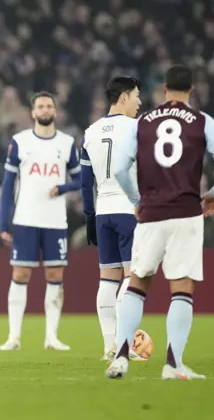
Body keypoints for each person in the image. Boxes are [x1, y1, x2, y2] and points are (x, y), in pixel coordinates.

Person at [106, 65, 214, 380]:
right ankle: (173, 365)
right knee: (181, 287)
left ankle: (121, 358)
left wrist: (137, 202)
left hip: (151, 213)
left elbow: (121, 170)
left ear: (163, 89)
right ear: (191, 90)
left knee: (137, 282)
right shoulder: (203, 122)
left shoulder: (143, 123)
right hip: (187, 213)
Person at [0, 92, 81, 351]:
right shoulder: (20, 142)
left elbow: (82, 180)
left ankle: (52, 337)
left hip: (55, 220)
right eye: (40, 106)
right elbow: (7, 185)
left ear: (55, 112)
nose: (45, 110)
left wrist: (64, 187)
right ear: (33, 113)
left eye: (49, 106)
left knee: (55, 274)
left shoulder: (67, 143)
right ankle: (14, 337)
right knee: (20, 273)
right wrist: (3, 222)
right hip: (26, 218)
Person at [81, 76, 143, 360]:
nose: (139, 102)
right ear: (123, 98)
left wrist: (89, 216)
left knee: (107, 280)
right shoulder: (136, 128)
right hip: (129, 210)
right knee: (132, 278)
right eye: (136, 96)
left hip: (103, 210)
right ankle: (122, 342)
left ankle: (109, 344)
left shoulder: (90, 131)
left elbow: (85, 182)